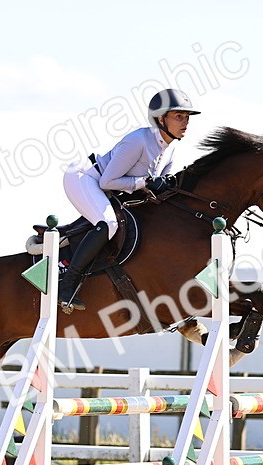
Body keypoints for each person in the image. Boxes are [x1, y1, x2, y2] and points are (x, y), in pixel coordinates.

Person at [58, 88, 200, 311]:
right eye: (179, 117)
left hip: (106, 185)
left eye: (187, 117)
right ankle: (67, 286)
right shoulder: (138, 141)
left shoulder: (170, 150)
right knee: (109, 224)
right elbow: (108, 182)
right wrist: (145, 182)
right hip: (85, 178)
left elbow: (159, 186)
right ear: (161, 119)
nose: (186, 123)